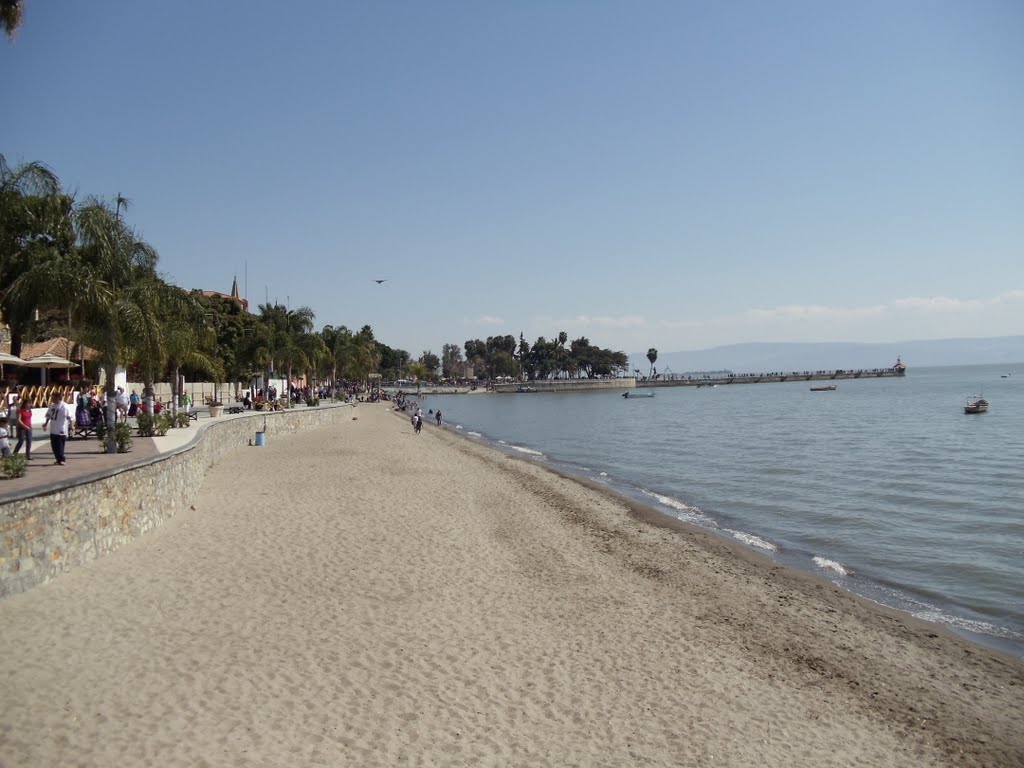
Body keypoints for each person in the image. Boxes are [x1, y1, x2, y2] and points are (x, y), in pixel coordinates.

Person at [43, 391, 71, 465]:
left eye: (53, 397)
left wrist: (72, 425)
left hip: (61, 429)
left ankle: (62, 459)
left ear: (58, 398)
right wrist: (45, 424)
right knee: (54, 445)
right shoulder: (52, 405)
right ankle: (58, 459)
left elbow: (69, 417)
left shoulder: (64, 406)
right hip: (53, 428)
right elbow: (48, 415)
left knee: (60, 445)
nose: (52, 399)